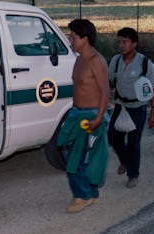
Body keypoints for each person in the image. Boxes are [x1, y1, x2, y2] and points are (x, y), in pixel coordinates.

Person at [57, 19, 109, 213]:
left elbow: (105, 92)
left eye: (73, 37)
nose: (70, 41)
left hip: (91, 117)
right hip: (77, 114)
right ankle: (92, 194)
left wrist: (98, 118)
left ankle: (82, 196)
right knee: (85, 157)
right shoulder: (79, 59)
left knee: (76, 159)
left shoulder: (96, 61)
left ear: (85, 39)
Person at [108, 27, 154, 188]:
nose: (121, 45)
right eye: (120, 41)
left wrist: (153, 113)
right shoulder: (116, 61)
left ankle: (133, 175)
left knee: (133, 142)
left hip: (138, 108)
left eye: (125, 42)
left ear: (134, 44)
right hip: (120, 105)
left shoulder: (144, 63)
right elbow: (108, 82)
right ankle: (124, 160)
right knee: (112, 136)